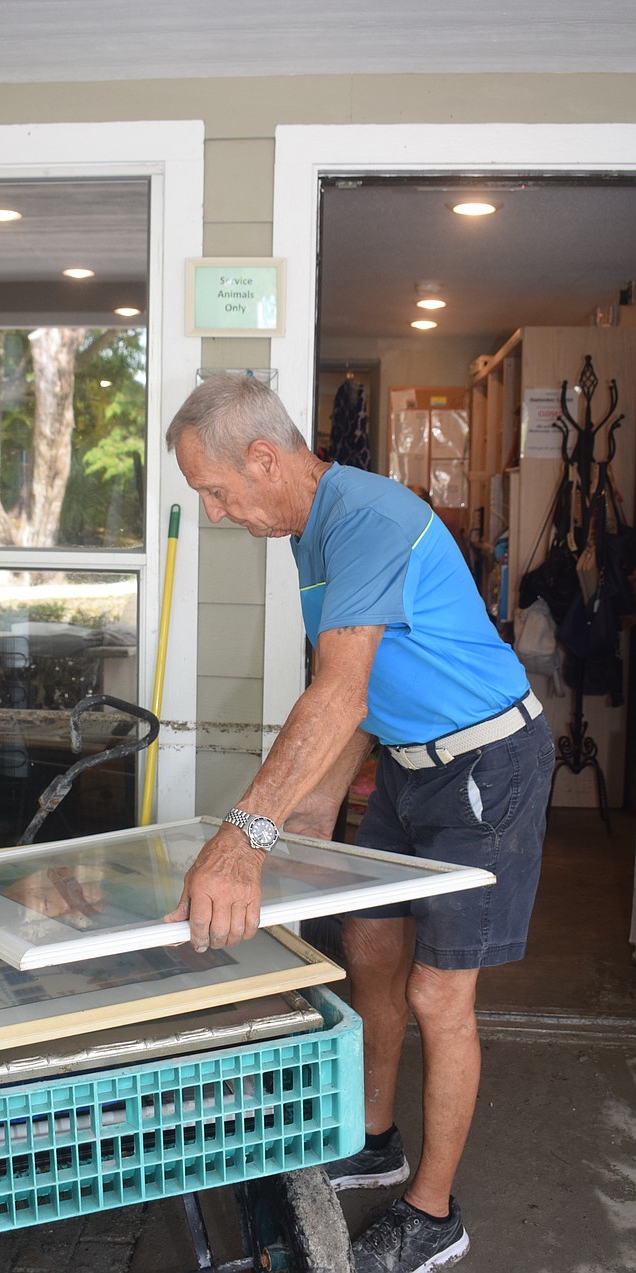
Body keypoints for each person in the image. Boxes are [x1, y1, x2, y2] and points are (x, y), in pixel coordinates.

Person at [163, 373, 554, 1273]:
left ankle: (432, 1214)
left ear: (265, 458)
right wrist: (305, 823)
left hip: (487, 769)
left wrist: (245, 837)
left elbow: (335, 690)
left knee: (436, 995)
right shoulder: (309, 531)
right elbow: (361, 699)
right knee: (368, 950)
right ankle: (376, 1138)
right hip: (409, 769)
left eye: (218, 491)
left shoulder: (368, 515)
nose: (218, 513)